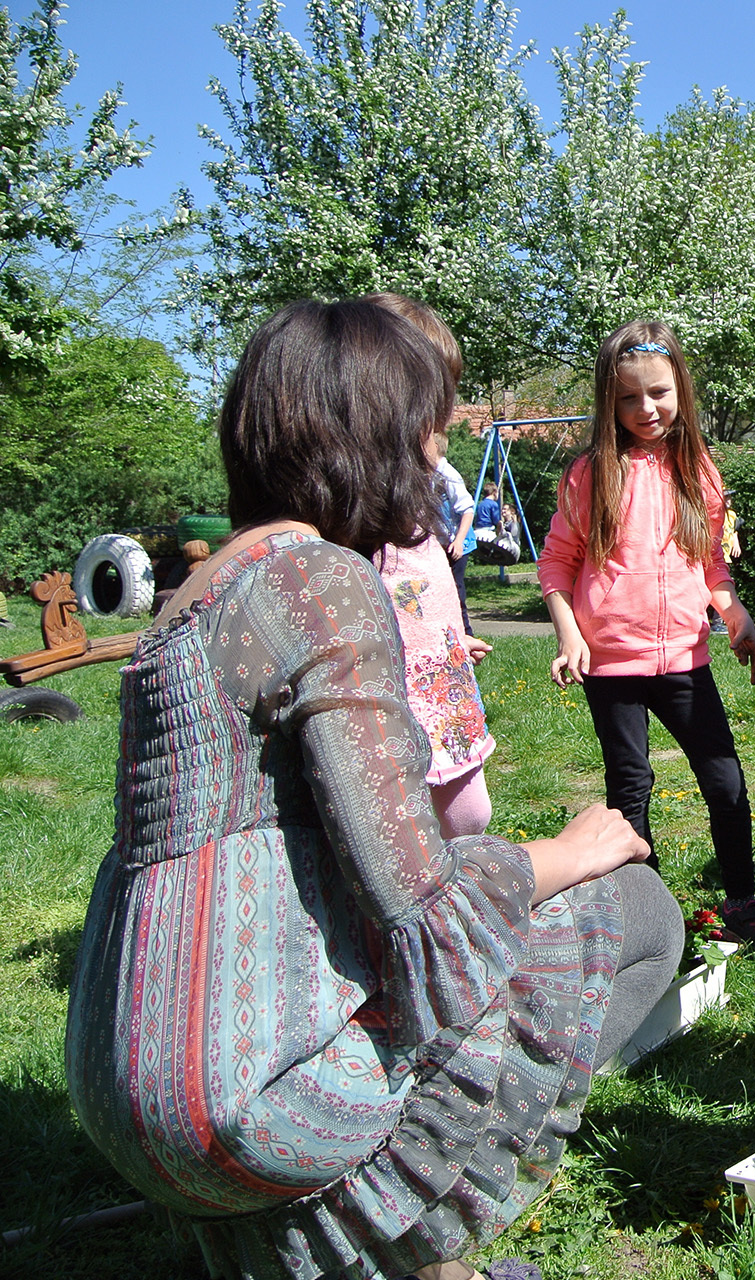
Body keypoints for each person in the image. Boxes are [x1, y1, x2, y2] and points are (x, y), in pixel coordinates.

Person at [63, 300, 682, 1280]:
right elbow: (419, 903)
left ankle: (343, 1249)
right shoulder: (318, 580)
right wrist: (568, 853)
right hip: (245, 1102)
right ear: (374, 435)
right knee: (640, 910)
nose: (436, 458)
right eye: (426, 430)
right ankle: (417, 1240)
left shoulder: (196, 596)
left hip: (123, 1085)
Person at [539, 320, 755, 952]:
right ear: (608, 400)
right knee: (631, 788)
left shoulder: (697, 470)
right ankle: (645, 918)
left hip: (684, 661)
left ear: (681, 391)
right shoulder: (590, 473)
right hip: (610, 667)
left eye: (658, 393)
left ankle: (741, 899)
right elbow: (556, 564)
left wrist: (735, 614)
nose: (645, 408)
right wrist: (570, 634)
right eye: (628, 397)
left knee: (724, 778)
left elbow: (710, 560)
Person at [362, 293, 498, 838]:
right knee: (424, 823)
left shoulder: (417, 511)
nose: (439, 421)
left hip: (444, 688)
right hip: (403, 706)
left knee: (468, 815)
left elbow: (420, 598)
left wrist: (451, 641)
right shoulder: (363, 525)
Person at [434, 432, 478, 634]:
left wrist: (459, 541)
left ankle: (465, 633)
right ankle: (444, 630)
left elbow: (467, 509)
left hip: (457, 543)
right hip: (440, 542)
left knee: (455, 588)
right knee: (439, 588)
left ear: (435, 447)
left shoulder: (448, 475)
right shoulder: (427, 474)